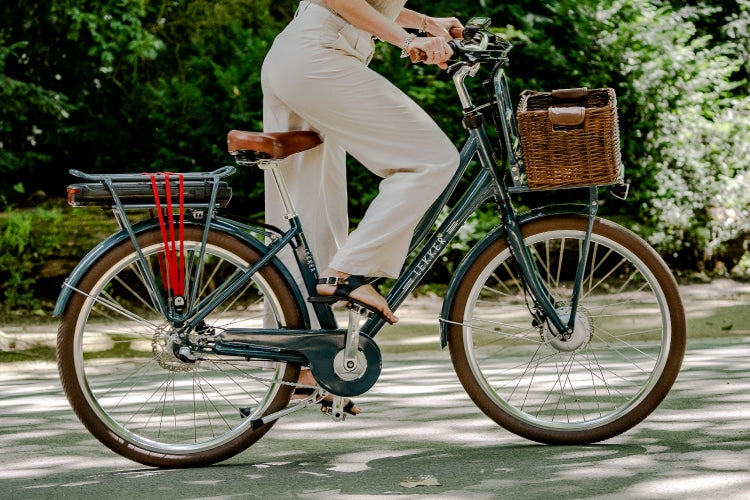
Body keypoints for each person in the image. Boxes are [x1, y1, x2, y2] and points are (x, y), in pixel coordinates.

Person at [261, 0, 463, 413]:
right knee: (432, 159)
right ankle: (350, 271)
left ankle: (300, 364)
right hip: (320, 54)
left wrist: (426, 24)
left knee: (310, 213)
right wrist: (408, 41)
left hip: (302, 56)